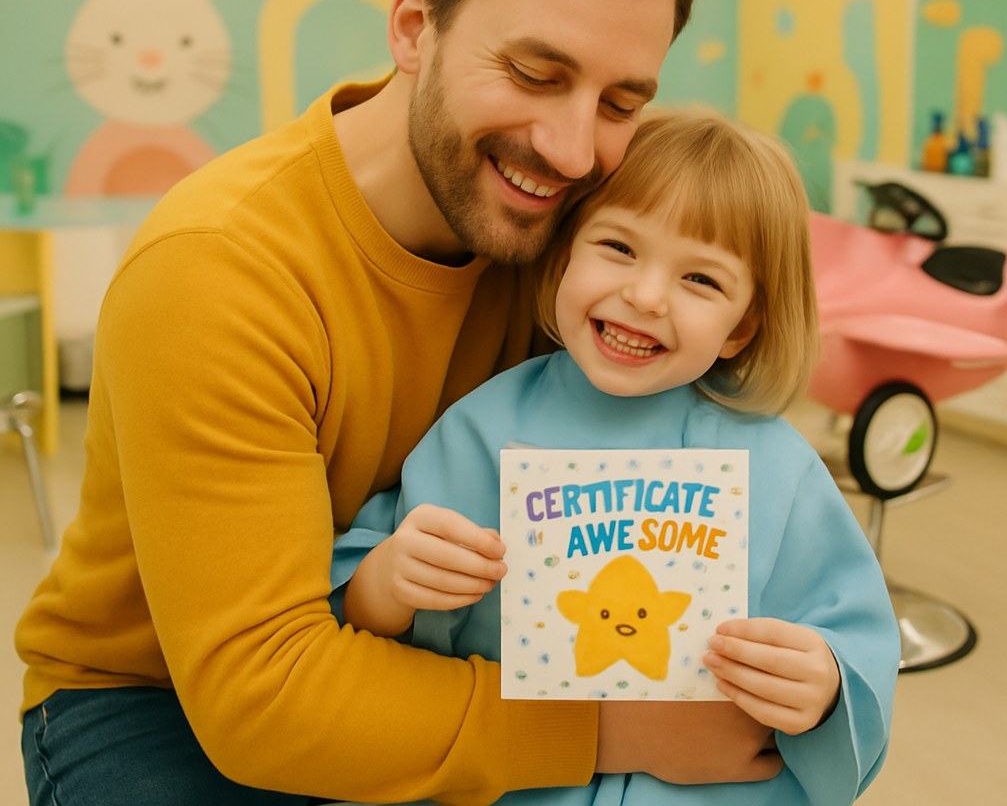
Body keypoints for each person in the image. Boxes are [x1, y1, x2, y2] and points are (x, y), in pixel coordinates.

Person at [17, 0, 784, 806]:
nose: (574, 148)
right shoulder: (217, 268)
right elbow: (264, 695)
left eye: (621, 101)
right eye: (536, 72)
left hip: (448, 651)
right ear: (415, 25)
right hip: (155, 696)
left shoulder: (580, 243)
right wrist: (615, 730)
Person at [333, 109, 902, 806]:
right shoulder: (481, 430)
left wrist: (827, 682)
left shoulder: (780, 470)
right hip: (517, 782)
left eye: (701, 281)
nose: (645, 295)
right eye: (620, 248)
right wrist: (388, 580)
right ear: (568, 249)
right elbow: (352, 612)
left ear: (741, 327)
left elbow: (857, 638)